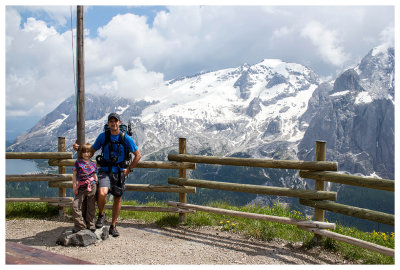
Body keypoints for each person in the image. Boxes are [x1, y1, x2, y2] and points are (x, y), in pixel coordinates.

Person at [73, 113, 141, 237]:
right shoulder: (103, 136)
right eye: (111, 121)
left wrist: (129, 170)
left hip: (120, 171)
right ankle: (101, 214)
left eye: (116, 121)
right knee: (102, 193)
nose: (113, 123)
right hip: (105, 170)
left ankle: (113, 226)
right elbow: (90, 151)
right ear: (108, 123)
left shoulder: (126, 138)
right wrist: (79, 149)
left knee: (117, 198)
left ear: (119, 123)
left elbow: (138, 155)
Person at [72, 143, 98, 232]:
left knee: (91, 206)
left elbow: (95, 175)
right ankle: (80, 225)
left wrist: (96, 184)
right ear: (81, 153)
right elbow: (74, 175)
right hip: (81, 186)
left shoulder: (93, 163)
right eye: (84, 152)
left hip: (92, 185)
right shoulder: (78, 162)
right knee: (76, 205)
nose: (86, 154)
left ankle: (90, 223)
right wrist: (74, 187)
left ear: (91, 153)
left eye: (88, 152)